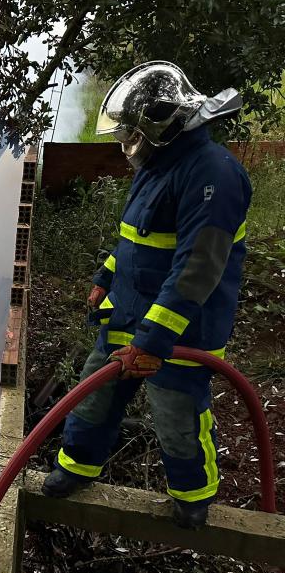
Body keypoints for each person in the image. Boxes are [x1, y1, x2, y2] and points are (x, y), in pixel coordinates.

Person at [41, 61, 251, 529]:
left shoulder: (212, 174)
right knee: (91, 400)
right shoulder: (159, 166)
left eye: (131, 132)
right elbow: (136, 241)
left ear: (162, 124)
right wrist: (104, 275)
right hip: (128, 317)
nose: (125, 142)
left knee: (176, 415)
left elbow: (197, 269)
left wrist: (153, 340)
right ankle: (76, 470)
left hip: (180, 332)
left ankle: (193, 498)